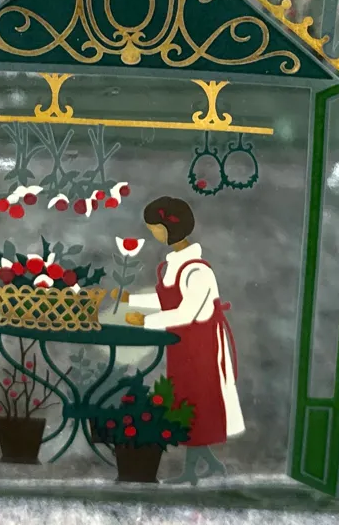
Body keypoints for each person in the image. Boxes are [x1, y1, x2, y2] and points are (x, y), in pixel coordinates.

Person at [113, 195, 243, 484]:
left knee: (197, 401)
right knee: (185, 401)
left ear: (170, 227)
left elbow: (188, 312)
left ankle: (192, 470)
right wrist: (130, 299)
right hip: (181, 343)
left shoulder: (198, 270)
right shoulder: (173, 264)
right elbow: (166, 300)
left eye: (156, 228)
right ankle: (208, 464)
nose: (153, 234)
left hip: (201, 345)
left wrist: (145, 321)